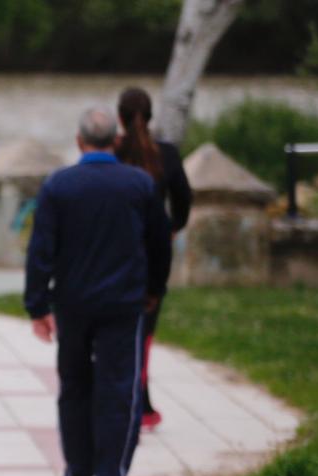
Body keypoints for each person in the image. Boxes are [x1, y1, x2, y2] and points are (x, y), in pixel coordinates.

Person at [24, 107, 171, 476]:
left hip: (72, 304)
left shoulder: (59, 186)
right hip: (124, 304)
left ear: (79, 141)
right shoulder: (139, 185)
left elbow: (41, 249)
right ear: (116, 141)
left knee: (74, 387)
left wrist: (37, 304)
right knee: (117, 392)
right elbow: (160, 243)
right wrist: (154, 290)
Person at [115, 86, 192, 431]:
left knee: (114, 330)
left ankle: (124, 401)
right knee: (143, 333)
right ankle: (140, 404)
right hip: (153, 255)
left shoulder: (113, 153)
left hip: (114, 254)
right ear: (150, 117)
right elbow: (184, 200)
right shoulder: (168, 155)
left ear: (120, 117)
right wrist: (173, 227)